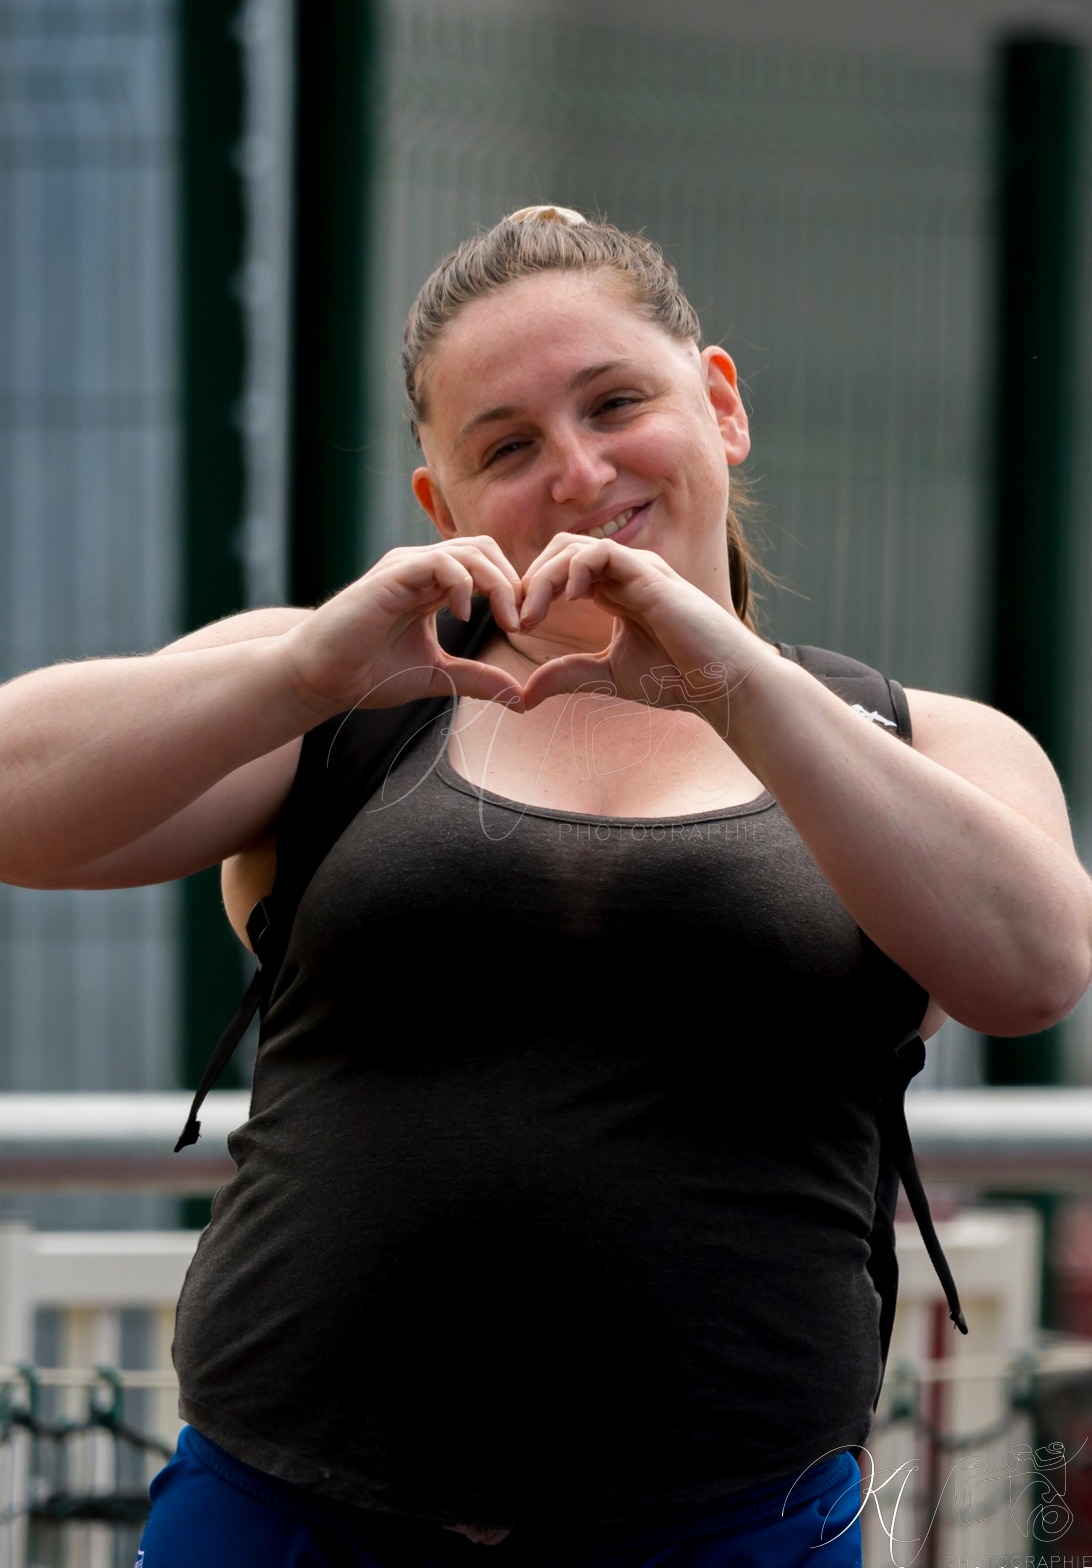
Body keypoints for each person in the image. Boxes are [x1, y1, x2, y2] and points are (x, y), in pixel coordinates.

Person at [1, 205, 1090, 1568]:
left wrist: (738, 685)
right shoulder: (344, 685)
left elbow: (1033, 968)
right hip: (286, 1513)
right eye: (506, 447)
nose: (578, 473)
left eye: (616, 403)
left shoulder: (917, 737)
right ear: (440, 507)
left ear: (721, 405)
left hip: (727, 1528)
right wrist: (296, 674)